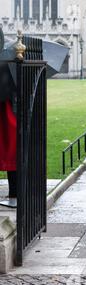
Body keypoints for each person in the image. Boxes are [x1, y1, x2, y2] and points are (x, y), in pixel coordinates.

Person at [0, 62, 17, 204]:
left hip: (7, 112)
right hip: (9, 112)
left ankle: (14, 193)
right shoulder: (9, 65)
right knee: (12, 153)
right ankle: (14, 193)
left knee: (12, 154)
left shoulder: (7, 65)